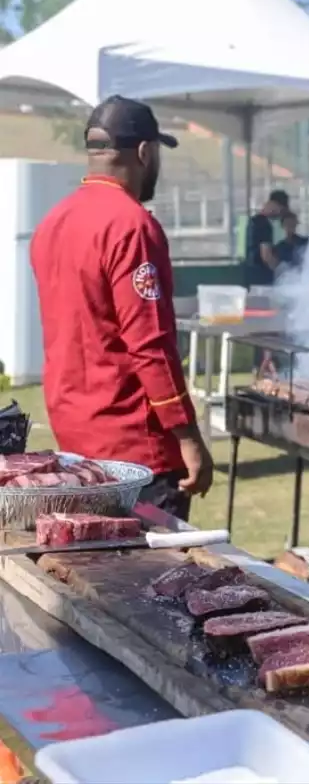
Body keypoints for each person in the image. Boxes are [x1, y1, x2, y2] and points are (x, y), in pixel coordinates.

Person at [30, 95, 214, 521]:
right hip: (136, 449)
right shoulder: (132, 225)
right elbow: (150, 344)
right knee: (150, 561)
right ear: (145, 153)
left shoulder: (52, 222)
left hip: (75, 438)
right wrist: (188, 437)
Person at [244, 189, 290, 286]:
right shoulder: (263, 224)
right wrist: (282, 271)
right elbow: (266, 255)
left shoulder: (254, 221)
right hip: (261, 277)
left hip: (252, 275)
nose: (280, 215)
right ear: (275, 205)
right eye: (281, 210)